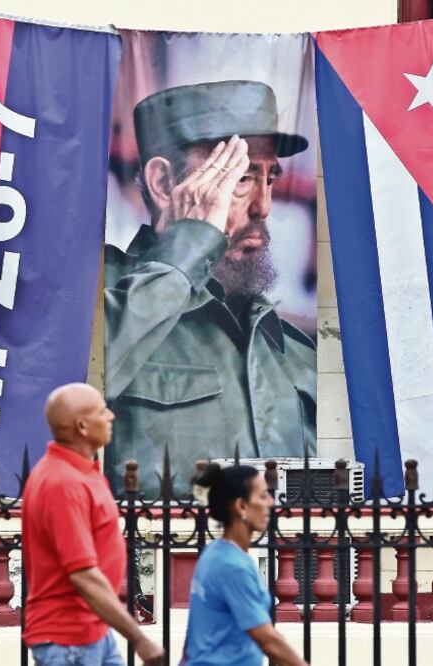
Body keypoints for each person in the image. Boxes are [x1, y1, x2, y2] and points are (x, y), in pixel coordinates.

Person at [105, 80, 317, 498]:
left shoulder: (291, 349)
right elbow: (62, 394)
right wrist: (191, 240)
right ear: (163, 183)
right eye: (241, 178)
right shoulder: (97, 297)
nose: (264, 206)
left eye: (270, 178)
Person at [22, 383, 164, 666]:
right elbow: (82, 574)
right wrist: (138, 638)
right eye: (102, 411)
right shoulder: (63, 483)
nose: (111, 416)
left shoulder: (82, 472)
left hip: (93, 630)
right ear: (82, 426)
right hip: (68, 641)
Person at [183, 463, 307, 666]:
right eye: (263, 496)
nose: (271, 502)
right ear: (241, 506)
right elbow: (268, 640)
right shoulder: (232, 566)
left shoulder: (215, 553)